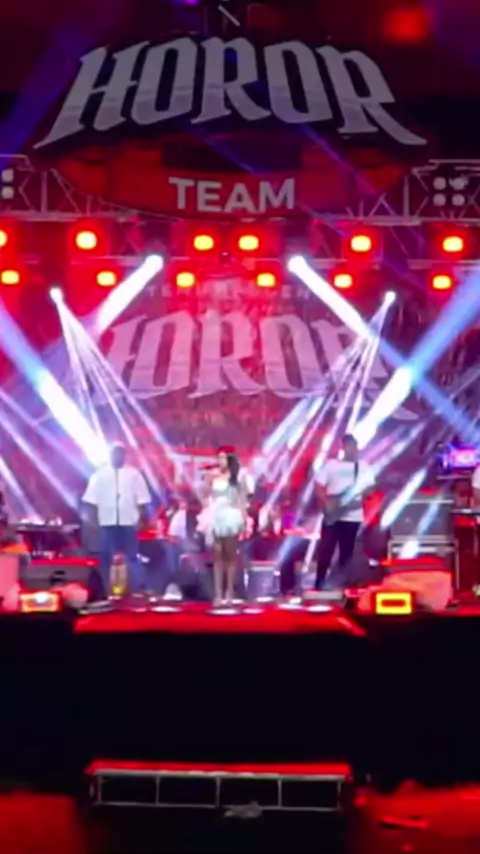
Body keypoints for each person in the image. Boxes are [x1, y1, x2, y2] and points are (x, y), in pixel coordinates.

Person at [82, 443, 151, 598]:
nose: (118, 456)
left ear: (125, 455)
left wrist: (141, 519)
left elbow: (142, 500)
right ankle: (108, 591)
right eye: (115, 453)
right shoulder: (99, 475)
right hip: (107, 523)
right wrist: (93, 522)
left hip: (128, 523)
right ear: (110, 455)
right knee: (107, 557)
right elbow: (90, 502)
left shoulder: (134, 474)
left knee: (132, 557)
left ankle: (135, 589)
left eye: (121, 453)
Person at [315, 433, 375, 590]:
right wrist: (326, 502)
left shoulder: (363, 467)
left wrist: (364, 492)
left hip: (352, 517)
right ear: (343, 447)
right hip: (332, 515)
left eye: (354, 446)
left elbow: (370, 490)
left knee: (346, 553)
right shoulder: (331, 465)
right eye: (349, 446)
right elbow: (319, 485)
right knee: (326, 550)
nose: (352, 449)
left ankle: (343, 584)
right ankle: (319, 583)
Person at [199, 447, 248, 605]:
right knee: (217, 556)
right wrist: (207, 481)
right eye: (219, 458)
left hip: (231, 516)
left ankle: (229, 592)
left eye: (223, 458)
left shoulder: (238, 477)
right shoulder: (213, 476)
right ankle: (218, 593)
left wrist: (244, 520)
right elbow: (205, 495)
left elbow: (242, 500)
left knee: (230, 556)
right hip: (216, 515)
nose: (220, 461)